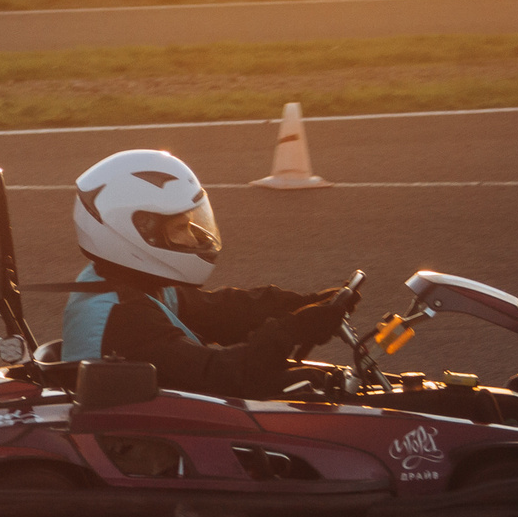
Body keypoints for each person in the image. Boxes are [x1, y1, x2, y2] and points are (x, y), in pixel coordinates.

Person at [58, 148, 357, 398]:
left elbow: (220, 311)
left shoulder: (125, 282)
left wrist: (302, 304)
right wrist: (293, 330)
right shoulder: (124, 317)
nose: (192, 237)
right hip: (142, 438)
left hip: (164, 410)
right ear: (139, 232)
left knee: (312, 382)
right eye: (180, 228)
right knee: (316, 396)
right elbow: (224, 374)